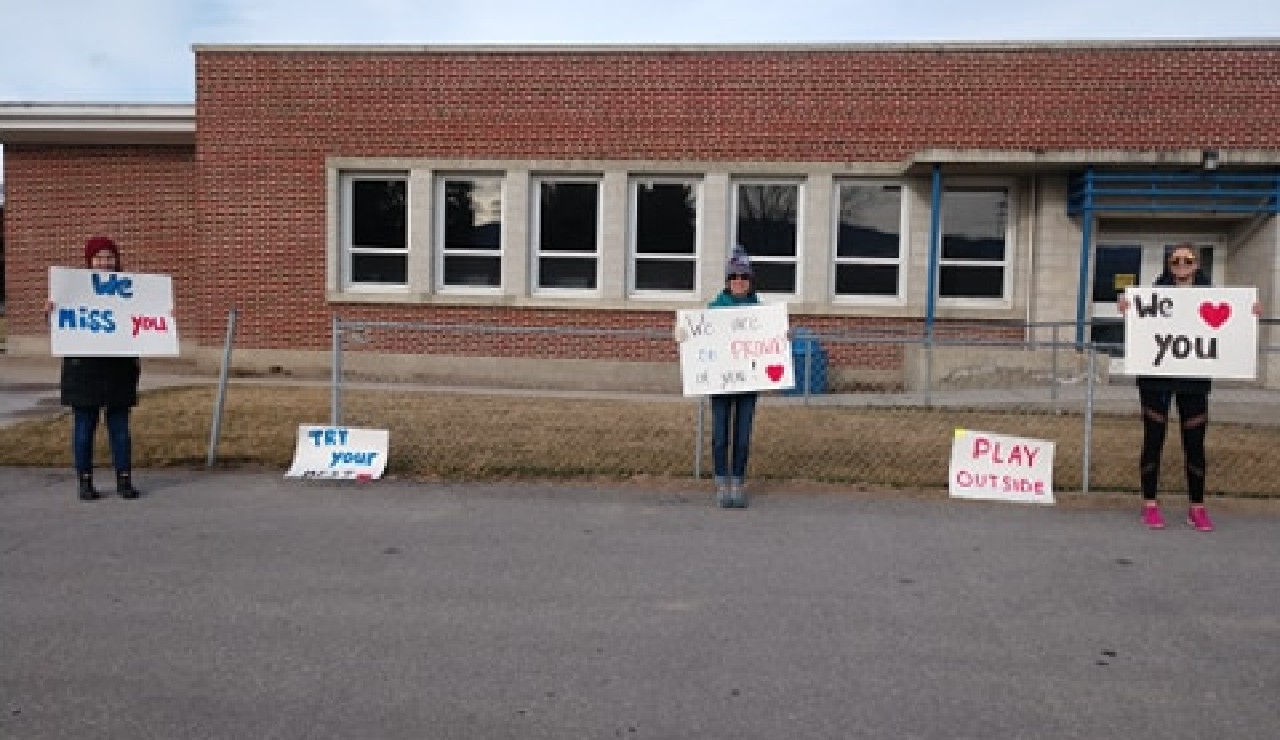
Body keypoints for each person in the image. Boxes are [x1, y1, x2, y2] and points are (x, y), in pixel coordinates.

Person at [1118, 243, 1260, 531]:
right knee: (1153, 440)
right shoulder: (1153, 294)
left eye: (1188, 260)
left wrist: (1249, 313)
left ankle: (1197, 507)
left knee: (1194, 444)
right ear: (1169, 265)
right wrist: (1126, 308)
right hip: (1156, 379)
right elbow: (1140, 322)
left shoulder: (1215, 296)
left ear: (1197, 265)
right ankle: (1150, 504)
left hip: (1194, 381)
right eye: (1175, 260)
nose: (1181, 264)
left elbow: (1233, 327)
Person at [53, 236, 143, 501]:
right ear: (89, 261)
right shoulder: (72, 290)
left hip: (119, 368)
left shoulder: (131, 290)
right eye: (99, 257)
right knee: (84, 427)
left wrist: (163, 316)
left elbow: (145, 319)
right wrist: (52, 311)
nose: (104, 262)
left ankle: (124, 480)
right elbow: (61, 323)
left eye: (109, 257)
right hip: (83, 369)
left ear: (116, 260)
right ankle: (85, 481)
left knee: (120, 428)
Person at [676, 245, 762, 508]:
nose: (739, 282)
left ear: (750, 281)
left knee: (743, 435)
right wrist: (684, 335)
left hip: (748, 384)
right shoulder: (714, 310)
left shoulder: (760, 313)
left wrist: (782, 338)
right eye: (734, 277)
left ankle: (738, 482)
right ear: (727, 281)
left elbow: (767, 344)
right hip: (721, 384)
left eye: (743, 277)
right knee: (721, 434)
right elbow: (698, 338)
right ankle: (722, 483)